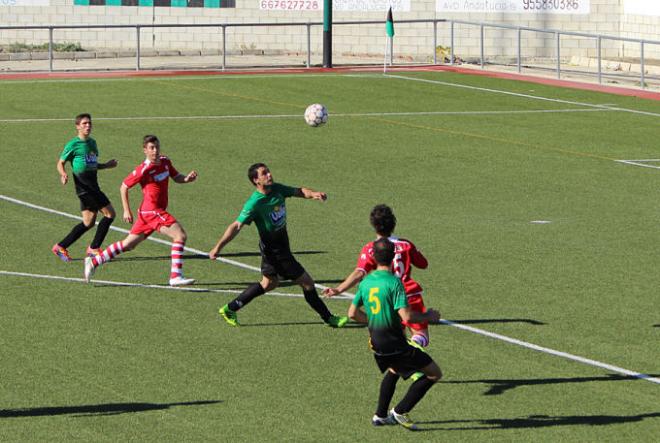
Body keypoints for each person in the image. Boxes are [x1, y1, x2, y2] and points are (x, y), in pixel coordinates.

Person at [209, 162, 347, 328]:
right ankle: (329, 318)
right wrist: (218, 248)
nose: (269, 175)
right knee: (307, 283)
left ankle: (230, 308)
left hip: (277, 247)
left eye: (268, 171)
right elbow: (236, 226)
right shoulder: (254, 203)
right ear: (256, 180)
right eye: (264, 173)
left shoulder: (277, 189)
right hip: (276, 252)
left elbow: (299, 191)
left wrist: (314, 194)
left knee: (269, 284)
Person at [348, 238, 442, 431]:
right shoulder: (394, 282)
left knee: (394, 369)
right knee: (434, 374)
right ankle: (400, 411)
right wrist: (428, 315)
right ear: (393, 258)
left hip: (376, 343)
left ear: (373, 257)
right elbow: (406, 315)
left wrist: (374, 319)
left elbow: (352, 314)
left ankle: (380, 415)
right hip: (395, 343)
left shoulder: (365, 282)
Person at [84, 135, 198, 286]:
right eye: (151, 148)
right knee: (180, 235)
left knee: (128, 245)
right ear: (145, 150)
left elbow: (176, 177)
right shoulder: (143, 169)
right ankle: (176, 276)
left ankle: (94, 262)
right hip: (152, 211)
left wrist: (187, 179)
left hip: (148, 214)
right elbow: (124, 186)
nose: (155, 150)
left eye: (157, 147)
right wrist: (126, 210)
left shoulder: (165, 161)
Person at [324, 204, 431, 347]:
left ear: (374, 225)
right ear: (393, 224)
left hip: (385, 295)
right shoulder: (406, 245)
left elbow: (359, 272)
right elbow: (423, 264)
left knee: (395, 332)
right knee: (420, 334)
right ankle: (414, 344)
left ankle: (393, 346)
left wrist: (338, 289)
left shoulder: (371, 249)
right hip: (408, 293)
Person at [53, 113, 117, 261]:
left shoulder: (93, 143)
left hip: (93, 186)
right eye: (84, 124)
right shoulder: (73, 145)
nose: (88, 126)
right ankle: (94, 248)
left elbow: (92, 165)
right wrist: (63, 174)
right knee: (110, 214)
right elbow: (60, 162)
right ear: (77, 126)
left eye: (89, 123)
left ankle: (60, 247)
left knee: (88, 223)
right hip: (85, 189)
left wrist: (106, 165)